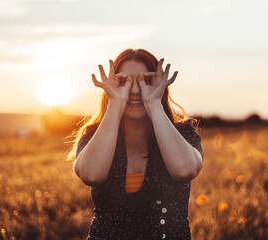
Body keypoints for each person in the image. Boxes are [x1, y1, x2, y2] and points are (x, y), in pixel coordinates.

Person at [69, 49, 204, 240]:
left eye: (146, 81)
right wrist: (115, 102)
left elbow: (185, 170)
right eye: (124, 82)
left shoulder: (181, 131)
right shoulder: (94, 134)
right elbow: (91, 174)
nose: (134, 90)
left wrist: (153, 102)